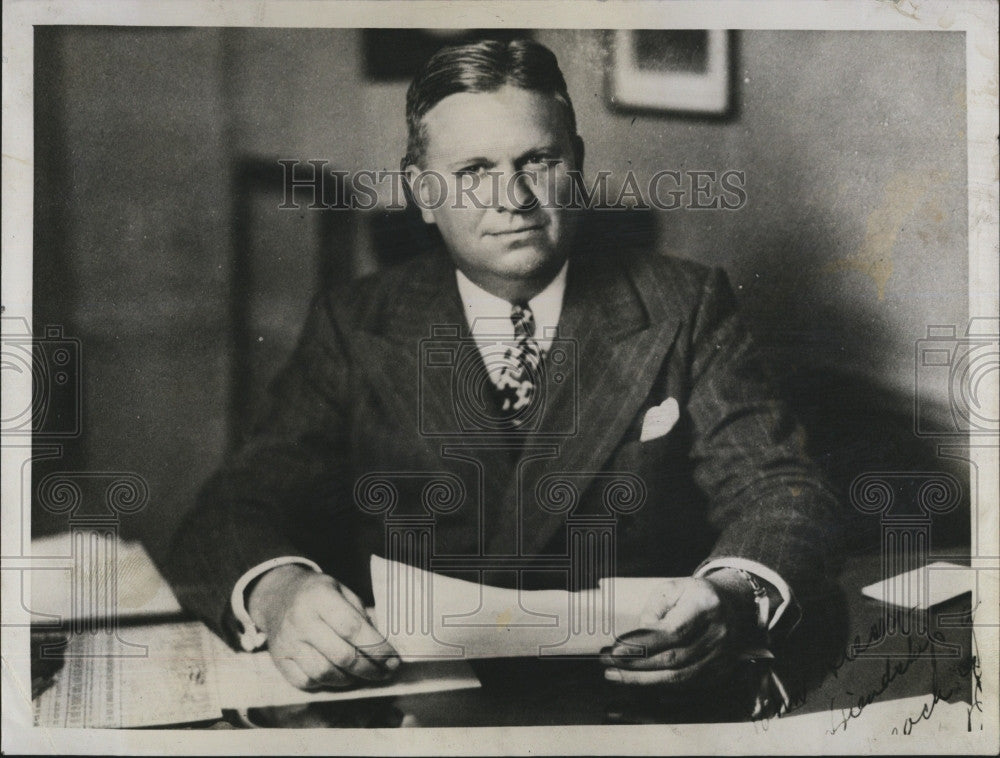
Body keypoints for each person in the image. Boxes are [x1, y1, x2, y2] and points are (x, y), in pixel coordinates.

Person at [166, 38, 842, 697]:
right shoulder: (357, 322)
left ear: (575, 166)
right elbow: (234, 507)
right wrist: (280, 593)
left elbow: (781, 491)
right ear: (423, 195)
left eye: (538, 160)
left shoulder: (685, 304)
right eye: (472, 171)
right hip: (416, 704)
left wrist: (730, 596)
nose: (512, 196)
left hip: (632, 695)